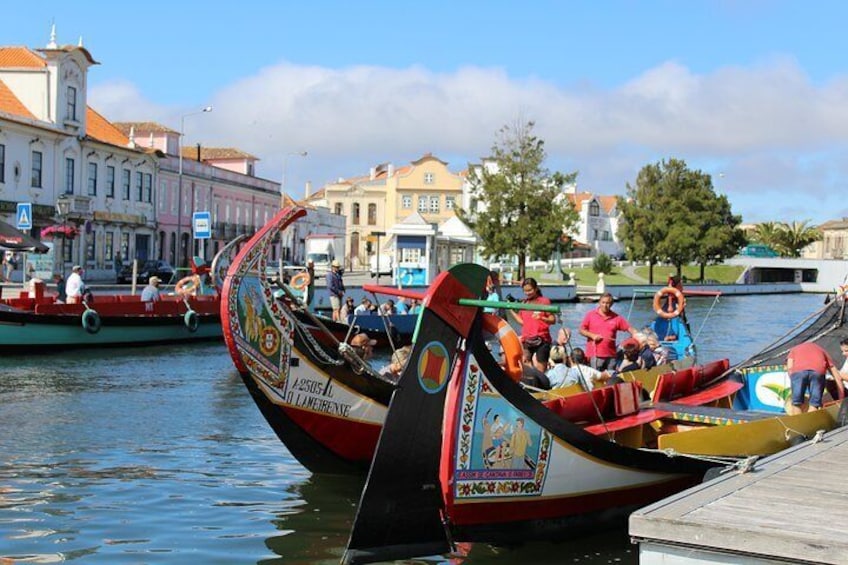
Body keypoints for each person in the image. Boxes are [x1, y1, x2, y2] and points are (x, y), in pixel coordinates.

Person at [579, 292, 637, 371]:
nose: (605, 305)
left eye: (608, 303)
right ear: (599, 302)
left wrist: (637, 336)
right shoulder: (590, 315)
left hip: (611, 356)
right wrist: (592, 336)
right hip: (595, 355)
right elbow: (581, 330)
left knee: (611, 379)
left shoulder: (616, 317)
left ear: (612, 304)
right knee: (597, 379)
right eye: (603, 302)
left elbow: (630, 328)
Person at [785, 341, 844, 415]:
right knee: (814, 403)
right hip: (818, 372)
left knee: (797, 403)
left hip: (798, 371)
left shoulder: (794, 349)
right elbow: (837, 377)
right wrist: (841, 399)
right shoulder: (821, 350)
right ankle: (811, 420)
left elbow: (790, 368)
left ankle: (798, 422)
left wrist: (795, 383)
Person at [509, 278, 555, 359]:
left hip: (542, 339)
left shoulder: (544, 301)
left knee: (540, 367)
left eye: (530, 290)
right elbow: (522, 322)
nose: (527, 293)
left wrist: (542, 318)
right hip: (526, 340)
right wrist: (511, 310)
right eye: (525, 291)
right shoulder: (524, 303)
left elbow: (553, 320)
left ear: (536, 288)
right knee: (525, 364)